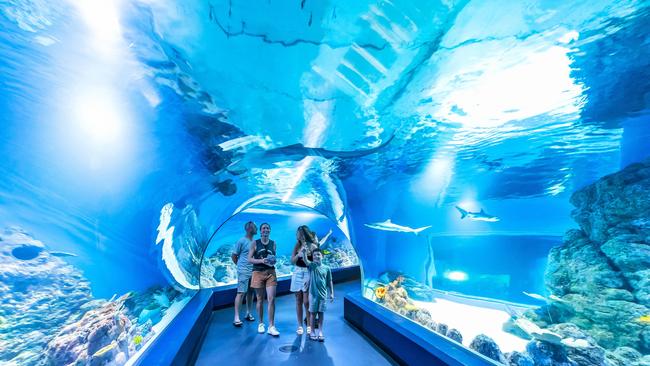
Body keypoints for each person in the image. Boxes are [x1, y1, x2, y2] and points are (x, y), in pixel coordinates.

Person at [248, 223, 280, 336]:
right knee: (260, 299)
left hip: (271, 273)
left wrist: (272, 261)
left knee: (272, 299)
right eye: (263, 228)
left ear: (270, 230)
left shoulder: (273, 243)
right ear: (260, 231)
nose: (265, 230)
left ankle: (271, 326)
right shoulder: (255, 243)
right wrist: (261, 261)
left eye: (267, 228)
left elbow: (274, 258)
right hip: (257, 272)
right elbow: (249, 259)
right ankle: (261, 323)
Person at [290, 225, 318, 335]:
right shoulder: (297, 245)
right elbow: (292, 261)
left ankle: (309, 325)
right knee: (298, 300)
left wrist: (311, 276)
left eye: (301, 233)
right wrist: (299, 254)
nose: (299, 235)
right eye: (298, 233)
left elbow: (316, 264)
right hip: (297, 272)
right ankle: (300, 325)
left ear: (305, 233)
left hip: (308, 272)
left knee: (306, 302)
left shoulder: (313, 246)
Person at [302, 247, 334, 341]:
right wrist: (304, 253)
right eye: (314, 255)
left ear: (322, 256)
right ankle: (312, 331)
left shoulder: (327, 268)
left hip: (323, 295)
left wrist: (332, 293)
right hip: (313, 295)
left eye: (318, 254)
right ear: (312, 257)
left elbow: (330, 281)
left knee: (321, 313)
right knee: (312, 313)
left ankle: (320, 331)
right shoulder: (312, 266)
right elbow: (306, 261)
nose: (316, 256)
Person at [232, 221, 257, 327]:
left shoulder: (255, 242)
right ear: (249, 228)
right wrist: (240, 267)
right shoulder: (241, 241)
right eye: (255, 227)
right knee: (241, 293)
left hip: (253, 271)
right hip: (243, 271)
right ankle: (236, 317)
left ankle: (248, 313)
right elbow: (234, 255)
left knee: (251, 292)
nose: (256, 229)